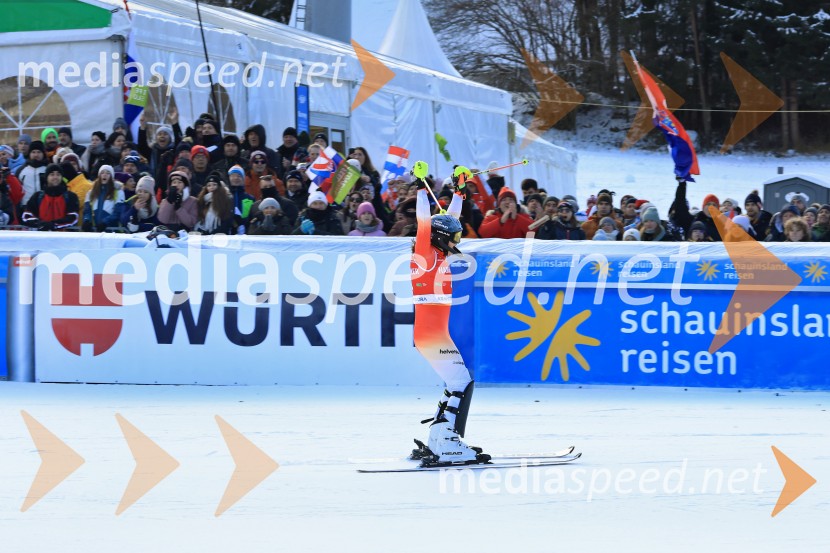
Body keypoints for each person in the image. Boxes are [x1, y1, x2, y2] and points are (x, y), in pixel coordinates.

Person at [408, 163, 489, 466]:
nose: (457, 243)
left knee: (458, 382)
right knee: (462, 382)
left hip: (434, 333)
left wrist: (460, 190)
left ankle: (440, 439)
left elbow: (450, 220)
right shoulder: (424, 252)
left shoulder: (438, 251)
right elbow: (425, 222)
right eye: (453, 239)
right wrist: (420, 185)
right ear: (441, 238)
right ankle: (448, 442)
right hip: (431, 334)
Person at [21, 164, 80, 231]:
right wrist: (40, 224)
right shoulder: (37, 196)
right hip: (41, 237)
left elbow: (73, 217)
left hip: (64, 238)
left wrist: (54, 225)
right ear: (47, 177)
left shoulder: (70, 196)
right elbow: (27, 216)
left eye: (58, 174)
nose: (55, 177)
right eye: (52, 174)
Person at [83, 165, 125, 231]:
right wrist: (87, 220)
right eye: (102, 173)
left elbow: (117, 212)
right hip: (95, 231)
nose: (104, 175)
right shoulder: (90, 193)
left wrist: (105, 222)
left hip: (111, 231)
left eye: (108, 173)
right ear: (99, 176)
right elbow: (87, 211)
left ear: (112, 176)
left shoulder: (118, 192)